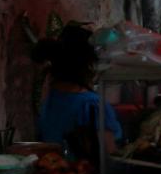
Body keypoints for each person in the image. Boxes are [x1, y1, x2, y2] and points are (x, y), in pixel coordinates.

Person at [34, 24, 122, 158]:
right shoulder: (93, 105)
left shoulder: (50, 99)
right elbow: (110, 158)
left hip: (54, 173)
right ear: (89, 64)